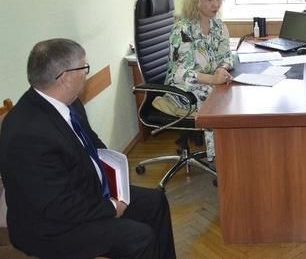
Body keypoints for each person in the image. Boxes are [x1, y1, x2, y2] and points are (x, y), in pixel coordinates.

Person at [0, 39, 177, 259]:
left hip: (84, 193)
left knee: (155, 202)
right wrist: (110, 207)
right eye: (83, 67)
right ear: (65, 78)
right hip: (52, 228)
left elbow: (92, 144)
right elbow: (56, 205)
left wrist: (115, 182)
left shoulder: (69, 101)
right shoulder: (27, 134)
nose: (86, 73)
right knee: (139, 238)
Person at [165, 0, 234, 109]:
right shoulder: (183, 30)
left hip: (209, 85)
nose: (216, 4)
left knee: (229, 96)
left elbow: (227, 57)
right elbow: (180, 73)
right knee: (223, 102)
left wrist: (222, 68)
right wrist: (213, 79)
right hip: (184, 90)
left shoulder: (219, 26)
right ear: (196, 0)